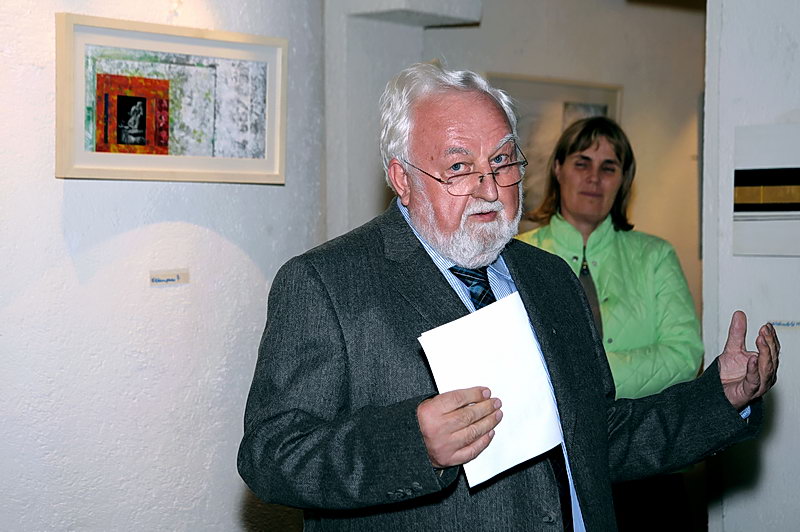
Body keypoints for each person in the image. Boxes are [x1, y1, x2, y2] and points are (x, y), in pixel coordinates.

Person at [237, 62, 780, 531]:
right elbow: (270, 456)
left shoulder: (549, 278)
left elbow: (596, 438)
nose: (490, 189)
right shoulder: (326, 284)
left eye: (502, 162)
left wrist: (718, 398)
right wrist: (411, 444)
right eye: (459, 168)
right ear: (402, 178)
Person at [516, 117, 705, 530]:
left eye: (609, 167)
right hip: (551, 469)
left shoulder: (655, 256)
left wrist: (580, 378)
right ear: (558, 169)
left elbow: (684, 355)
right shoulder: (517, 257)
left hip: (650, 463)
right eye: (582, 163)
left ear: (623, 180)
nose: (594, 178)